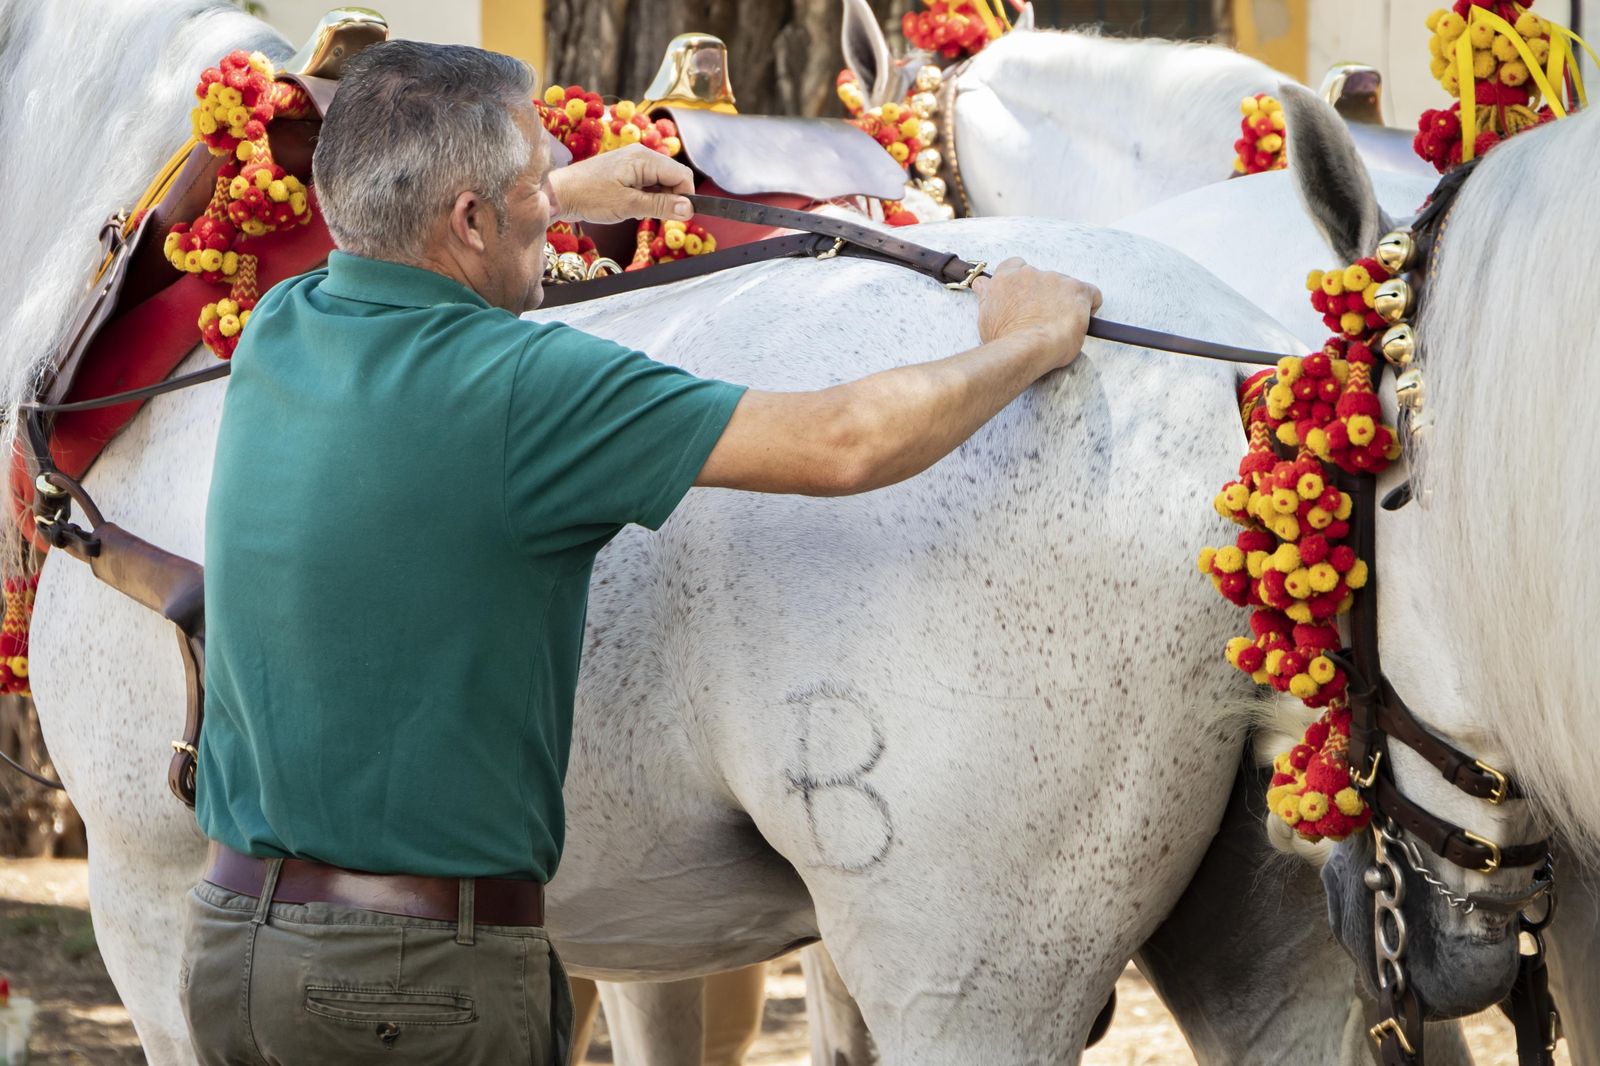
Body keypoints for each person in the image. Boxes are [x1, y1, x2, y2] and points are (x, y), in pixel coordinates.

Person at [179, 39, 1098, 1065]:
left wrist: (562, 195)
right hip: (415, 988)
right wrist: (1023, 341)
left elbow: (396, 239)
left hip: (232, 955)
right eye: (529, 186)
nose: (546, 204)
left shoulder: (282, 320)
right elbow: (844, 441)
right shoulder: (526, 387)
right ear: (469, 220)